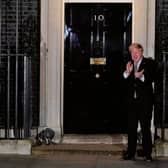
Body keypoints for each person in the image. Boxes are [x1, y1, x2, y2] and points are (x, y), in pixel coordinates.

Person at [122, 43, 156, 162]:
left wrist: (140, 76)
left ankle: (148, 154)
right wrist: (127, 73)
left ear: (141, 51)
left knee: (145, 128)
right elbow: (123, 82)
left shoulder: (149, 63)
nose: (134, 55)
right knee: (131, 128)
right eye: (132, 52)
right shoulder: (129, 64)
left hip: (145, 103)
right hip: (132, 103)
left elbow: (152, 77)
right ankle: (130, 153)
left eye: (136, 52)